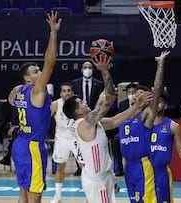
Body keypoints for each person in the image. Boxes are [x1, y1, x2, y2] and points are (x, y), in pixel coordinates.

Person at [63, 56, 153, 203]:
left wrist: (136, 107)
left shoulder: (92, 123)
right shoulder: (84, 124)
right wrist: (105, 71)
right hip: (97, 180)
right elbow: (109, 99)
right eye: (81, 102)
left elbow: (115, 121)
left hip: (103, 174)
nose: (85, 101)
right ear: (78, 112)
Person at [7, 11, 61, 203]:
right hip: (32, 147)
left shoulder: (18, 90)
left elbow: (10, 100)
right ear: (28, 78)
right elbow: (50, 62)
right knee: (35, 198)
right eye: (36, 71)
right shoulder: (36, 90)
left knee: (23, 195)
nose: (40, 72)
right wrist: (53, 33)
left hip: (19, 144)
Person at [118, 51, 169, 203]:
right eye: (135, 93)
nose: (136, 96)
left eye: (141, 94)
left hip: (142, 166)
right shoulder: (124, 115)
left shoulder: (147, 115)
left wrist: (160, 64)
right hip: (128, 168)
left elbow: (158, 88)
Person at [150, 90, 181, 203]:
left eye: (160, 101)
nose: (156, 104)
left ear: (165, 105)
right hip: (143, 172)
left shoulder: (173, 127)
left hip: (161, 174)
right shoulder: (142, 125)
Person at [50, 82, 82, 203]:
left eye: (69, 90)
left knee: (84, 167)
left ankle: (89, 193)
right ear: (60, 93)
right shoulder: (55, 104)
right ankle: (57, 196)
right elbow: (44, 120)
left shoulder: (78, 103)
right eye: (64, 91)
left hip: (76, 137)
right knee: (60, 167)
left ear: (72, 92)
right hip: (61, 138)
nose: (67, 93)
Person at [71, 61, 104, 175]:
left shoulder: (99, 84)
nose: (87, 69)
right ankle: (81, 168)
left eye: (90, 67)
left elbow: (114, 120)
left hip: (94, 116)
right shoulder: (75, 83)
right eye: (85, 67)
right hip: (82, 118)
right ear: (81, 69)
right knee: (79, 144)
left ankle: (93, 167)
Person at [113, 82, 138, 176]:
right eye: (129, 93)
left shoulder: (141, 104)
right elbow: (118, 119)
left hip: (138, 130)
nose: (131, 95)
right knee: (116, 139)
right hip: (125, 130)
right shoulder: (123, 104)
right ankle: (119, 168)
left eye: (133, 92)